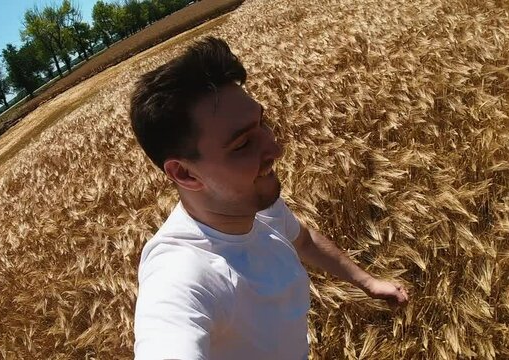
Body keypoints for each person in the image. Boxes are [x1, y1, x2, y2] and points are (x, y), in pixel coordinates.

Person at [129, 37, 409, 360]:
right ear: (185, 174)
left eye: (262, 124)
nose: (275, 149)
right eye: (242, 145)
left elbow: (303, 241)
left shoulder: (254, 203)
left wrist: (368, 282)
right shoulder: (180, 274)